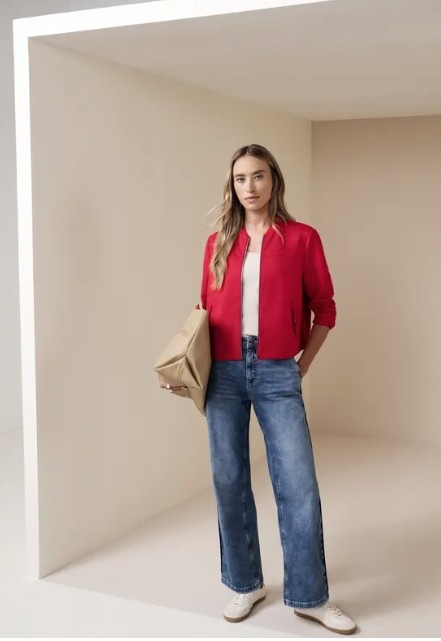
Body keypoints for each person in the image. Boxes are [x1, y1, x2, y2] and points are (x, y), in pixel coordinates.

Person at [159, 144, 356, 635]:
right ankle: (245, 583)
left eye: (259, 176)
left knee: (298, 485)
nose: (250, 187)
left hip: (276, 370)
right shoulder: (217, 243)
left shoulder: (303, 238)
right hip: (223, 374)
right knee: (228, 479)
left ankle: (310, 596)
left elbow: (326, 308)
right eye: (241, 178)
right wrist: (184, 369)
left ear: (274, 181)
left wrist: (300, 365)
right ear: (232, 186)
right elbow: (203, 313)